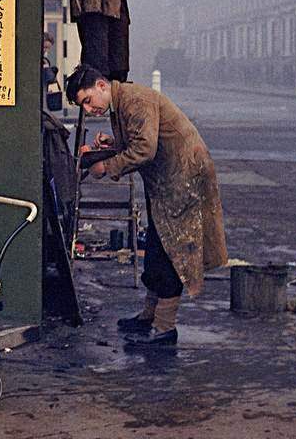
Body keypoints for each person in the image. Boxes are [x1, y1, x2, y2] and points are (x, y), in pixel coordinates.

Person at [65, 64, 228, 346]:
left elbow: (144, 149)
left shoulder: (134, 100)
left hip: (182, 178)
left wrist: (108, 165)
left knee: (172, 250)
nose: (90, 110)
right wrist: (113, 145)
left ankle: (165, 328)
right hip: (166, 181)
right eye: (84, 106)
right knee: (155, 245)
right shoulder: (121, 102)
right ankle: (149, 316)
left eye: (88, 100)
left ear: (102, 85)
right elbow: (142, 138)